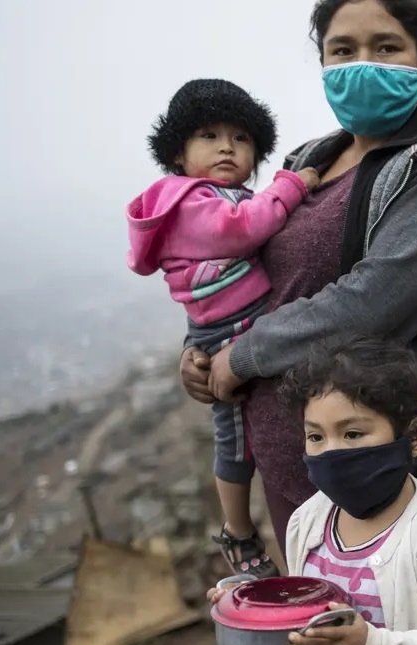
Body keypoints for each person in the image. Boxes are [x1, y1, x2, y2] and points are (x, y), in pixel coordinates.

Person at [179, 0, 417, 554]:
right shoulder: (308, 160)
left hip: (382, 460)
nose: (363, 63)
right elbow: (245, 273)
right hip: (293, 456)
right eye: (343, 50)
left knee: (402, 632)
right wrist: (203, 348)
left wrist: (244, 355)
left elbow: (377, 300)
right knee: (319, 630)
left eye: (386, 46)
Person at [209, 336, 417, 645]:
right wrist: (251, 603)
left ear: (412, 437)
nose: (332, 452)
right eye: (316, 437)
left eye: (353, 434)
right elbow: (307, 612)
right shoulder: (308, 522)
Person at [127, 79, 323, 577]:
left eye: (240, 139)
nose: (226, 147)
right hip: (230, 332)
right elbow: (243, 227)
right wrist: (292, 185)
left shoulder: (218, 195)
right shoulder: (186, 200)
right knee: (235, 436)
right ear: (177, 153)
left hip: (239, 324)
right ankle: (237, 532)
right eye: (209, 136)